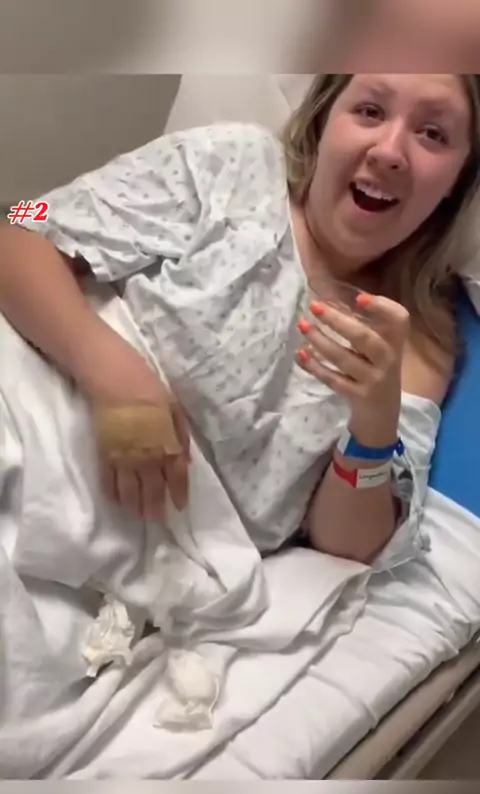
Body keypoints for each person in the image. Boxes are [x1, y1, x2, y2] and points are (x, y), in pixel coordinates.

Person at [0, 73, 479, 568]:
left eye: (433, 134)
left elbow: (346, 549)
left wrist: (374, 426)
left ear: (458, 179)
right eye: (370, 111)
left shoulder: (417, 342)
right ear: (325, 120)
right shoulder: (232, 163)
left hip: (135, 567)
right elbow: (20, 222)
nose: (390, 151)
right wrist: (115, 376)